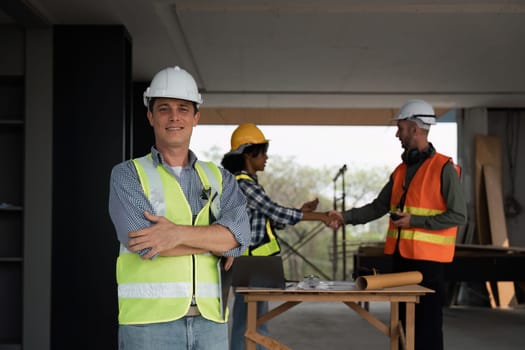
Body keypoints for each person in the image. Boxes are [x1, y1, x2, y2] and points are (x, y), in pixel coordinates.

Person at [108, 66, 251, 350]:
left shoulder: (220, 177)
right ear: (150, 116)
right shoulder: (128, 175)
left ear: (196, 117)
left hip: (211, 323)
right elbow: (143, 243)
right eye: (164, 108)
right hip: (149, 325)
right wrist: (216, 242)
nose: (174, 117)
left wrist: (174, 235)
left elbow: (240, 238)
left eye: (183, 109)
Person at [331, 99, 467, 350]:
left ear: (415, 129)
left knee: (426, 332)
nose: (397, 134)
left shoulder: (444, 169)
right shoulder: (401, 171)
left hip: (428, 265)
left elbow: (459, 216)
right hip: (401, 261)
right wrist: (345, 217)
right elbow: (378, 206)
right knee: (402, 327)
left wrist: (414, 221)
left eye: (401, 128)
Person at [221, 123, 339, 350]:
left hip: (256, 264)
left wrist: (303, 212)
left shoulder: (247, 184)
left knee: (253, 321)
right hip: (251, 263)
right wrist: (320, 216)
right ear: (248, 153)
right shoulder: (243, 185)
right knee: (250, 323)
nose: (266, 157)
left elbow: (272, 220)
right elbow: (276, 211)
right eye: (263, 151)